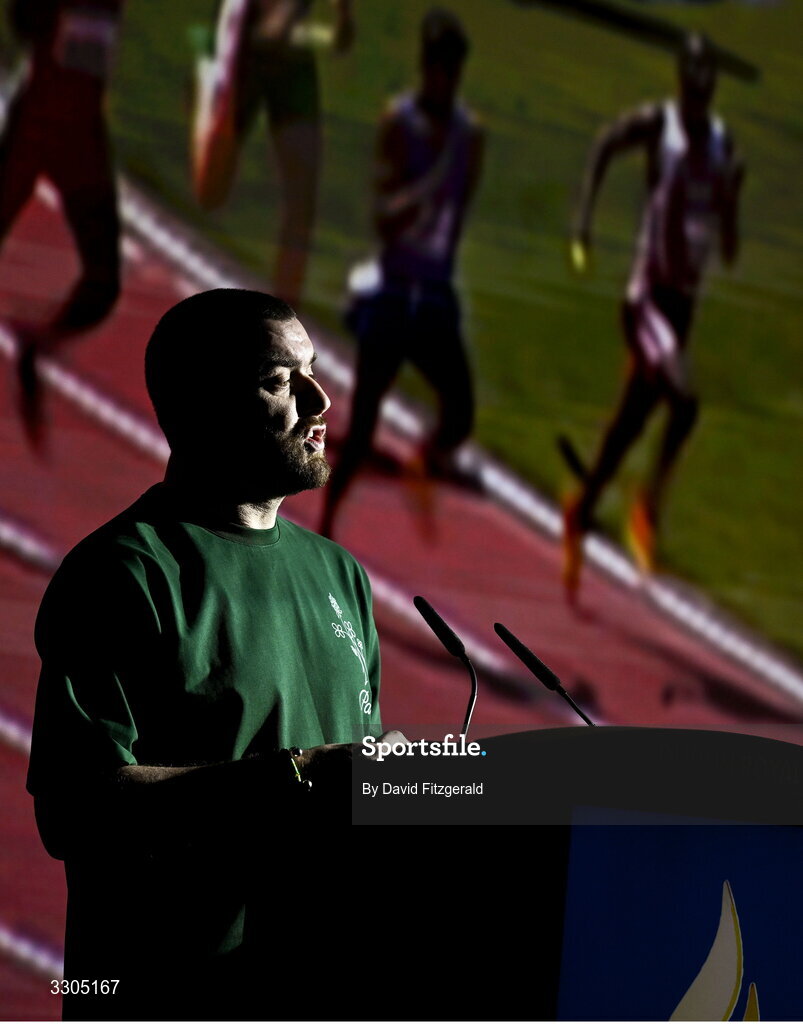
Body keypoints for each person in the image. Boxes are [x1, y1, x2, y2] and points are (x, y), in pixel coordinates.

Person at [26, 289, 390, 1020]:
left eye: (313, 371)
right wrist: (293, 776)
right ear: (200, 404)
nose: (321, 401)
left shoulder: (339, 575)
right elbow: (76, 809)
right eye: (280, 380)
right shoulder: (126, 571)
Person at [562, 32, 744, 598]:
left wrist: (731, 200)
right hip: (646, 300)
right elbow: (605, 144)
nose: (694, 101)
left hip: (682, 307)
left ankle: (582, 507)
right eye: (689, 89)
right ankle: (648, 506)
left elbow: (729, 249)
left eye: (703, 92)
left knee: (633, 419)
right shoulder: (658, 126)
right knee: (684, 403)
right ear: (680, 85)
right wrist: (583, 219)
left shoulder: (722, 146)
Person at [319, 7, 485, 540]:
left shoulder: (470, 136)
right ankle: (324, 529)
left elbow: (458, 218)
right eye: (437, 67)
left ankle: (424, 460)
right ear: (424, 65)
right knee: (362, 430)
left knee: (461, 413)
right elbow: (383, 217)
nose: (445, 78)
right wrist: (422, 193)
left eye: (453, 69)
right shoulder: (399, 123)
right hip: (393, 296)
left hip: (432, 298)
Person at [2, 0, 124, 446]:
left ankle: (35, 346)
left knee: (103, 285)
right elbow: (23, 21)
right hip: (39, 124)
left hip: (81, 139)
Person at [196, 0, 355, 307]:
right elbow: (270, 29)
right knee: (212, 191)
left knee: (302, 202)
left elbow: (336, 37)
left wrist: (342, 17)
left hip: (289, 59)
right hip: (247, 45)